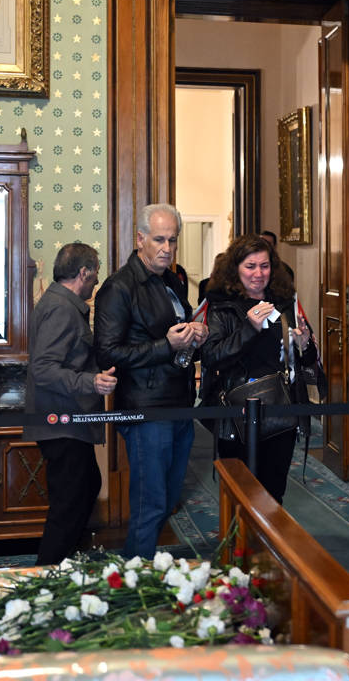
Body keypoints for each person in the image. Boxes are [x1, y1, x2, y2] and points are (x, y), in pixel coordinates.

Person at [94, 203, 207, 559]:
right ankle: (134, 583)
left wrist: (195, 336)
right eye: (159, 239)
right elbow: (108, 354)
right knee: (151, 505)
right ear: (139, 239)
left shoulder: (170, 280)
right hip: (146, 410)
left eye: (172, 240)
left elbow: (175, 338)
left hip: (178, 404)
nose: (167, 248)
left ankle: (144, 574)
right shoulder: (119, 287)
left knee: (169, 500)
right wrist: (166, 345)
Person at [199, 235, 316, 502]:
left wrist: (305, 344)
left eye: (264, 266)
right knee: (239, 493)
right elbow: (212, 357)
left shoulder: (285, 303)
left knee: (273, 491)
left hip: (281, 409)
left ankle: (268, 544)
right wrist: (249, 329)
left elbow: (306, 363)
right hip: (236, 412)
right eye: (250, 266)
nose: (258, 274)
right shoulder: (221, 306)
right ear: (235, 268)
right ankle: (240, 545)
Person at [22, 243, 117, 565]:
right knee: (68, 506)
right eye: (96, 274)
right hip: (61, 421)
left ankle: (65, 566)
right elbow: (44, 368)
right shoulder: (63, 308)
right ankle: (47, 575)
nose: (96, 281)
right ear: (84, 272)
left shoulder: (59, 302)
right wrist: (91, 381)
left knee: (88, 485)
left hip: (66, 420)